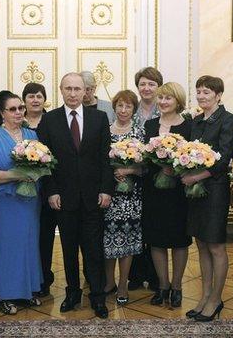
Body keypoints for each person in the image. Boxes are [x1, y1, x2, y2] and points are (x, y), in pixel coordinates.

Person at [37, 72, 113, 319]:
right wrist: (52, 191)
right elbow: (45, 162)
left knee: (94, 250)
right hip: (63, 197)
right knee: (68, 250)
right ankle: (72, 293)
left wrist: (106, 189)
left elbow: (105, 158)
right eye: (68, 88)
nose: (72, 93)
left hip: (94, 197)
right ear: (61, 90)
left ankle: (98, 297)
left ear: (85, 91)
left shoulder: (99, 118)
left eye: (77, 89)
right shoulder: (49, 120)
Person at [0, 90, 43, 314]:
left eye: (20, 108)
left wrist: (35, 172)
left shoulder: (31, 135)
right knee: (5, 247)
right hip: (4, 202)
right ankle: (5, 296)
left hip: (29, 201)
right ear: (2, 112)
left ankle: (27, 291)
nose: (18, 112)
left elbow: (41, 164)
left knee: (27, 245)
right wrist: (17, 175)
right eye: (13, 109)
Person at [183, 76, 233, 321]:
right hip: (195, 191)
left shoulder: (227, 119)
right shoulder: (195, 120)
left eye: (207, 92)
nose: (202, 96)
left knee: (215, 245)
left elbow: (224, 158)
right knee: (201, 243)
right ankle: (204, 296)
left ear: (218, 95)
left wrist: (197, 177)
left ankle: (216, 299)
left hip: (214, 189)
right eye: (199, 92)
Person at [142, 82, 192, 307]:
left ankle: (177, 286)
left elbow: (193, 158)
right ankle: (162, 285)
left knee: (179, 241)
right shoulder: (150, 125)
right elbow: (145, 159)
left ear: (177, 101)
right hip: (154, 191)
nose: (162, 102)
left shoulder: (189, 126)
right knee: (157, 240)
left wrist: (176, 168)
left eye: (168, 98)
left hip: (179, 193)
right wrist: (158, 166)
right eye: (160, 98)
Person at [103, 90, 144, 305]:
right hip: (110, 196)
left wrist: (128, 171)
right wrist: (112, 173)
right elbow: (99, 162)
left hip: (131, 197)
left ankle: (122, 285)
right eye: (120, 105)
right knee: (108, 241)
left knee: (127, 242)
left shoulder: (139, 133)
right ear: (114, 107)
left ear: (134, 109)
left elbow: (146, 166)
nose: (123, 110)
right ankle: (108, 282)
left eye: (128, 106)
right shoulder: (105, 131)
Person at [129, 66, 162, 292]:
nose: (147, 88)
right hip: (133, 177)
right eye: (143, 84)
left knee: (153, 225)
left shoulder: (167, 109)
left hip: (159, 177)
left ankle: (156, 276)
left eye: (151, 84)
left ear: (158, 87)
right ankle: (136, 274)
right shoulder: (130, 111)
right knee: (135, 224)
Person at [23, 82, 56, 297]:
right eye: (31, 96)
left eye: (39, 96)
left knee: (45, 236)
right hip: (22, 189)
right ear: (24, 99)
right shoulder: (16, 120)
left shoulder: (53, 121)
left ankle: (44, 278)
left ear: (45, 99)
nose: (35, 100)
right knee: (25, 236)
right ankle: (25, 278)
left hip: (47, 188)